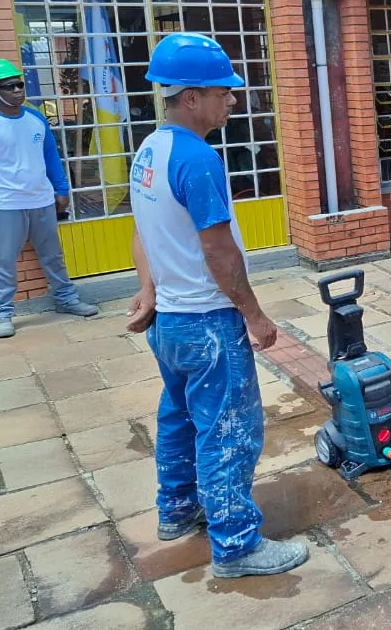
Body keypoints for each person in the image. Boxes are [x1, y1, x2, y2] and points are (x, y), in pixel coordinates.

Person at [124, 33, 307, 579]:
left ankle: (177, 511)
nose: (231, 100)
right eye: (221, 92)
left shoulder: (148, 151)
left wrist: (150, 292)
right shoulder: (198, 158)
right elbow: (217, 246)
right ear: (188, 97)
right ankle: (236, 545)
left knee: (179, 417)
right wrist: (253, 313)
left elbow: (144, 232)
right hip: (207, 323)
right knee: (229, 429)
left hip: (170, 325)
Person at [0, 57, 98, 338]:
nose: (17, 90)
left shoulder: (35, 119)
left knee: (53, 255)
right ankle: (1, 314)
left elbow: (50, 157)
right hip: (4, 205)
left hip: (41, 200)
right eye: (9, 86)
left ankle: (66, 299)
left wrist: (61, 189)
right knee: (3, 260)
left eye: (19, 84)